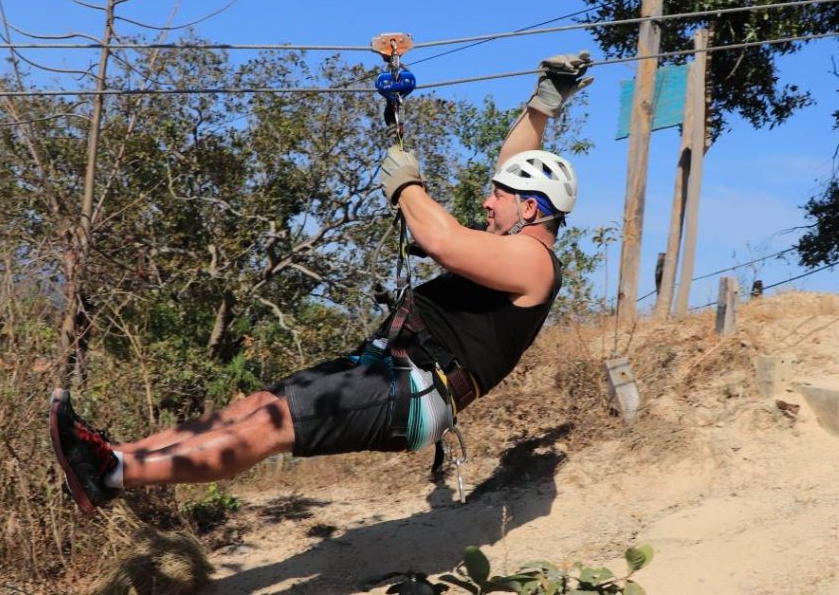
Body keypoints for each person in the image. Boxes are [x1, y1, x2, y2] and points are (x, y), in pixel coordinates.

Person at [49, 52, 593, 515]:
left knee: (267, 425)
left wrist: (408, 186)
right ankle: (111, 455)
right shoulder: (515, 244)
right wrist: (543, 103)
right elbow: (513, 161)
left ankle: (112, 474)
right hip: (391, 366)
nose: (485, 200)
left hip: (415, 392)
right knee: (251, 407)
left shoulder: (534, 263)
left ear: (528, 208)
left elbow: (441, 240)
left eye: (497, 196)